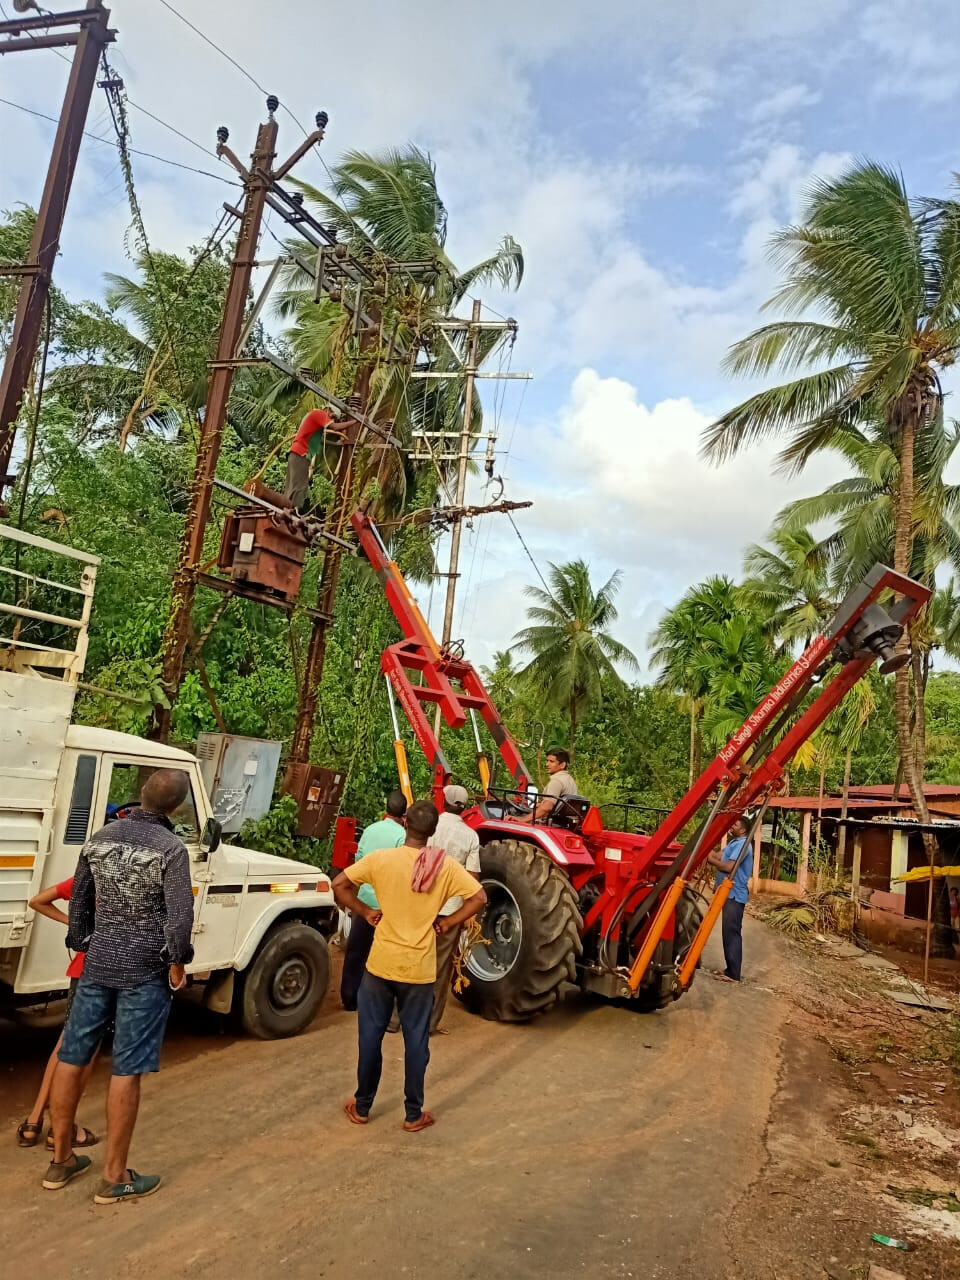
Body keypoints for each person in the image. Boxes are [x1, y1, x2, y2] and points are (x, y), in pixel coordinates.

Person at [43, 769, 195, 1202]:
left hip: (98, 962)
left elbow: (80, 901)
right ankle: (114, 1176)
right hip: (145, 971)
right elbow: (179, 918)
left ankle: (61, 1160)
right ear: (177, 808)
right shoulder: (171, 848)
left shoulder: (101, 837)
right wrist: (178, 962)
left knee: (74, 1054)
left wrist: (83, 941)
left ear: (141, 796)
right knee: (126, 1067)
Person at [332, 799, 486, 1132]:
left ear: (405, 825)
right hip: (419, 969)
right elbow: (479, 897)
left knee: (370, 1037)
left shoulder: (382, 859)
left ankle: (361, 1106)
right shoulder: (442, 867)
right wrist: (447, 923)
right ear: (432, 832)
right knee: (416, 1041)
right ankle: (413, 1114)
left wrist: (365, 912)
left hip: (381, 964)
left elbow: (339, 885)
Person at [17, 878, 99, 1151]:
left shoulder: (84, 879)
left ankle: (33, 1121)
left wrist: (72, 923)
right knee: (85, 1052)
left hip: (81, 968)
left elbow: (38, 900)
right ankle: (62, 1130)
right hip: (106, 970)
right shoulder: (127, 877)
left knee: (65, 1045)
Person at [340, 790, 408, 1011]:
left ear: (386, 809)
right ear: (404, 814)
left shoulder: (370, 830)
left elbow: (359, 863)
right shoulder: (402, 837)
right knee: (383, 956)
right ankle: (377, 1002)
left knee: (356, 951)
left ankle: (349, 998)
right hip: (387, 907)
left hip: (364, 902)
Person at [430, 785, 482, 1035]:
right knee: (440, 968)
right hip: (450, 911)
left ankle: (396, 1019)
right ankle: (429, 1024)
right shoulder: (471, 836)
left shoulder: (430, 825)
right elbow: (472, 877)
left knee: (411, 960)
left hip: (422, 905)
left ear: (444, 800)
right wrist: (468, 912)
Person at [707, 817, 752, 983]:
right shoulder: (734, 843)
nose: (732, 826)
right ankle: (730, 969)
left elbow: (728, 867)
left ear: (743, 829)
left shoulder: (743, 844)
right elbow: (719, 856)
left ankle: (734, 973)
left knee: (731, 931)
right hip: (727, 893)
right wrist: (707, 843)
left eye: (735, 824)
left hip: (734, 893)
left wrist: (709, 860)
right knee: (728, 931)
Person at [282, 407, 337, 510]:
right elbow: (335, 427)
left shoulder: (315, 420)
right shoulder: (319, 414)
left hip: (296, 453)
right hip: (300, 453)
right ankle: (291, 513)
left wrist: (337, 444)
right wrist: (357, 420)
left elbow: (319, 441)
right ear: (328, 409)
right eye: (332, 416)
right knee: (299, 486)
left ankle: (286, 511)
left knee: (292, 486)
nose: (332, 419)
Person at [518, 748, 578, 825]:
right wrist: (541, 805)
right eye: (547, 761)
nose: (547, 764)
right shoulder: (570, 780)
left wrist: (522, 820)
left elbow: (548, 806)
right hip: (563, 822)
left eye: (551, 761)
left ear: (562, 765)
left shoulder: (556, 781)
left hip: (554, 823)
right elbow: (558, 805)